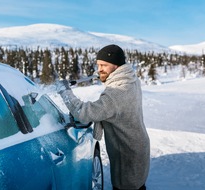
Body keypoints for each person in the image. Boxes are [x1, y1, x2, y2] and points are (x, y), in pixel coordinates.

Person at [56, 44, 150, 190]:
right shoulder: (130, 79)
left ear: (117, 66)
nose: (99, 69)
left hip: (126, 153)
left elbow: (84, 112)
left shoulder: (119, 91)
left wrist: (65, 92)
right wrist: (106, 75)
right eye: (98, 65)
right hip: (135, 146)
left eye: (104, 65)